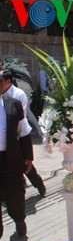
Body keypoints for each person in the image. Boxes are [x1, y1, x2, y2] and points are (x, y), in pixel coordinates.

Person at [0, 68, 46, 197]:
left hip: (17, 138)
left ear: (8, 82)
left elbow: (21, 119)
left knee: (25, 166)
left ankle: (38, 184)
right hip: (4, 141)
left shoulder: (18, 95)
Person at [0, 69, 34, 239]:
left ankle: (19, 220)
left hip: (10, 157)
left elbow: (24, 131)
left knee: (14, 193)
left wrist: (28, 157)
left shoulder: (12, 104)